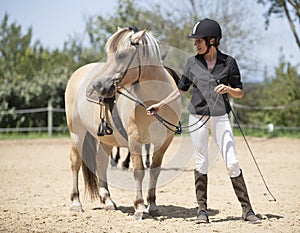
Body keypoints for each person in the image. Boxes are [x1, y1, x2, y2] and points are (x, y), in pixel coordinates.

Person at [146, 18, 260, 224]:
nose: (195, 44)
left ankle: (247, 209)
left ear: (212, 40)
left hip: (221, 118)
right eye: (195, 41)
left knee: (232, 161)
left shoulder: (229, 63)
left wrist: (229, 90)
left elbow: (240, 93)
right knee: (202, 162)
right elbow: (181, 90)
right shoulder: (192, 63)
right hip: (198, 117)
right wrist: (160, 105)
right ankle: (202, 210)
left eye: (199, 41)